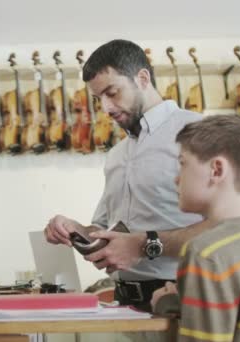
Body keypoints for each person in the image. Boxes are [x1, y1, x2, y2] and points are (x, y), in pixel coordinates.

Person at [45, 39, 219, 311]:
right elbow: (106, 228)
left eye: (112, 92)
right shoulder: (117, 154)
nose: (105, 108)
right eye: (97, 99)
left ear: (142, 78)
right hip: (125, 304)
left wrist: (143, 245)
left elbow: (238, 225)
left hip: (185, 301)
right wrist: (79, 231)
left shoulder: (200, 132)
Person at [151, 115, 240, 341]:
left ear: (216, 170)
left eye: (183, 164)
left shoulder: (205, 253)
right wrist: (173, 303)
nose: (176, 179)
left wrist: (163, 305)